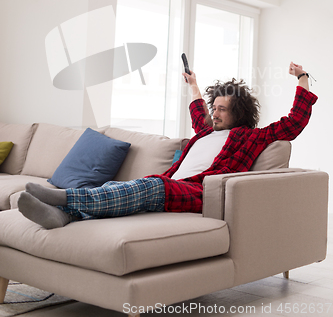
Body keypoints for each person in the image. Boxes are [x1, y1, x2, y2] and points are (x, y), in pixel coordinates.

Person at [18, 61, 317, 229]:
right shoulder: (204, 132)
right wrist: (194, 84)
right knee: (122, 187)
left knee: (150, 187)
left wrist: (302, 78)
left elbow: (294, 121)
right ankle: (64, 215)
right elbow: (198, 109)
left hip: (201, 192)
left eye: (222, 109)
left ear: (238, 113)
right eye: (215, 107)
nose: (214, 113)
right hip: (171, 184)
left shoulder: (250, 137)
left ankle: (65, 198)